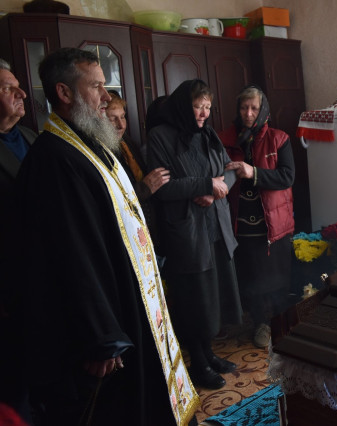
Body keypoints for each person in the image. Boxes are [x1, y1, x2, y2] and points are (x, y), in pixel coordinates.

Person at [12, 47, 199, 425]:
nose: (106, 96)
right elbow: (72, 255)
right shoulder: (53, 159)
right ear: (64, 92)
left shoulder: (90, 144)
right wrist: (101, 336)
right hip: (109, 321)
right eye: (96, 86)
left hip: (129, 303)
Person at [146, 79, 242, 390]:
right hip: (187, 232)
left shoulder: (207, 133)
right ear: (181, 106)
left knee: (212, 298)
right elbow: (162, 188)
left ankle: (209, 354)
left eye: (207, 107)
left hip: (215, 227)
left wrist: (215, 189)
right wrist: (205, 185)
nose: (203, 113)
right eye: (197, 106)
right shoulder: (160, 137)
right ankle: (198, 363)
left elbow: (228, 170)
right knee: (194, 301)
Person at [220, 85, 295, 349]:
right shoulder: (226, 139)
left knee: (278, 277)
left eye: (254, 108)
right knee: (250, 278)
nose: (249, 113)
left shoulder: (279, 138)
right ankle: (260, 323)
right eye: (244, 107)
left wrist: (254, 173)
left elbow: (287, 176)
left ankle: (280, 322)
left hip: (273, 223)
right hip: (240, 222)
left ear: (263, 110)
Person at [0, 58, 36, 425]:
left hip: (44, 276)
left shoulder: (30, 137)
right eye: (8, 88)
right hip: (11, 284)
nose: (21, 93)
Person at [105, 92, 169, 254]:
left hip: (149, 227)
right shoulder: (100, 153)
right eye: (113, 119)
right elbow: (110, 200)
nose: (121, 125)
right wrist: (144, 189)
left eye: (123, 117)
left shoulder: (128, 144)